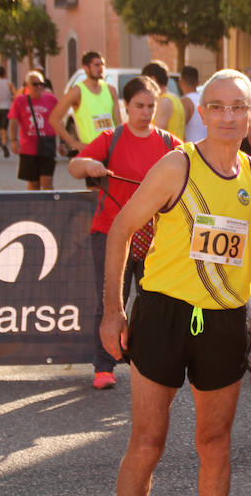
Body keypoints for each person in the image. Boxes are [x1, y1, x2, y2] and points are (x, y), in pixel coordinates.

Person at [99, 69, 251, 496]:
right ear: (202, 113)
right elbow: (120, 229)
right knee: (147, 443)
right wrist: (112, 310)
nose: (227, 116)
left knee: (215, 444)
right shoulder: (177, 166)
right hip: (163, 314)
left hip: (221, 322)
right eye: (217, 107)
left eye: (237, 107)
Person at [69, 76, 182, 390]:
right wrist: (90, 163)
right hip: (110, 232)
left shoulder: (169, 143)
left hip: (156, 237)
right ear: (126, 106)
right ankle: (103, 367)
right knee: (109, 301)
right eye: (139, 106)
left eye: (151, 106)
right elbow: (74, 167)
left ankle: (146, 363)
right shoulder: (111, 137)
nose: (145, 112)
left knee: (152, 302)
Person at [50, 51, 121, 156]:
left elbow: (118, 122)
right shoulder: (77, 91)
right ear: (86, 68)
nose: (101, 68)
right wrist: (73, 143)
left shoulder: (111, 90)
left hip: (112, 150)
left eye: (102, 65)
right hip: (91, 152)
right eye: (96, 65)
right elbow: (54, 119)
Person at [8, 70, 59, 190]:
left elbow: (59, 121)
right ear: (27, 86)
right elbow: (13, 122)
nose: (39, 86)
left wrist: (62, 142)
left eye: (42, 83)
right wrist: (14, 140)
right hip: (28, 148)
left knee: (47, 182)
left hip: (47, 146)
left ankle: (49, 207)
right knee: (33, 183)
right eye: (35, 84)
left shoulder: (52, 99)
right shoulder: (20, 101)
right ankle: (35, 208)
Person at [142, 61, 184, 141]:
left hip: (166, 152)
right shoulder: (175, 98)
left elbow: (158, 135)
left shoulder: (163, 101)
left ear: (153, 79)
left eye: (144, 81)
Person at [180, 65, 207, 143]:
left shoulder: (185, 101)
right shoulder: (204, 100)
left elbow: (180, 127)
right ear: (198, 82)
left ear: (181, 82)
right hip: (205, 148)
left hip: (191, 149)